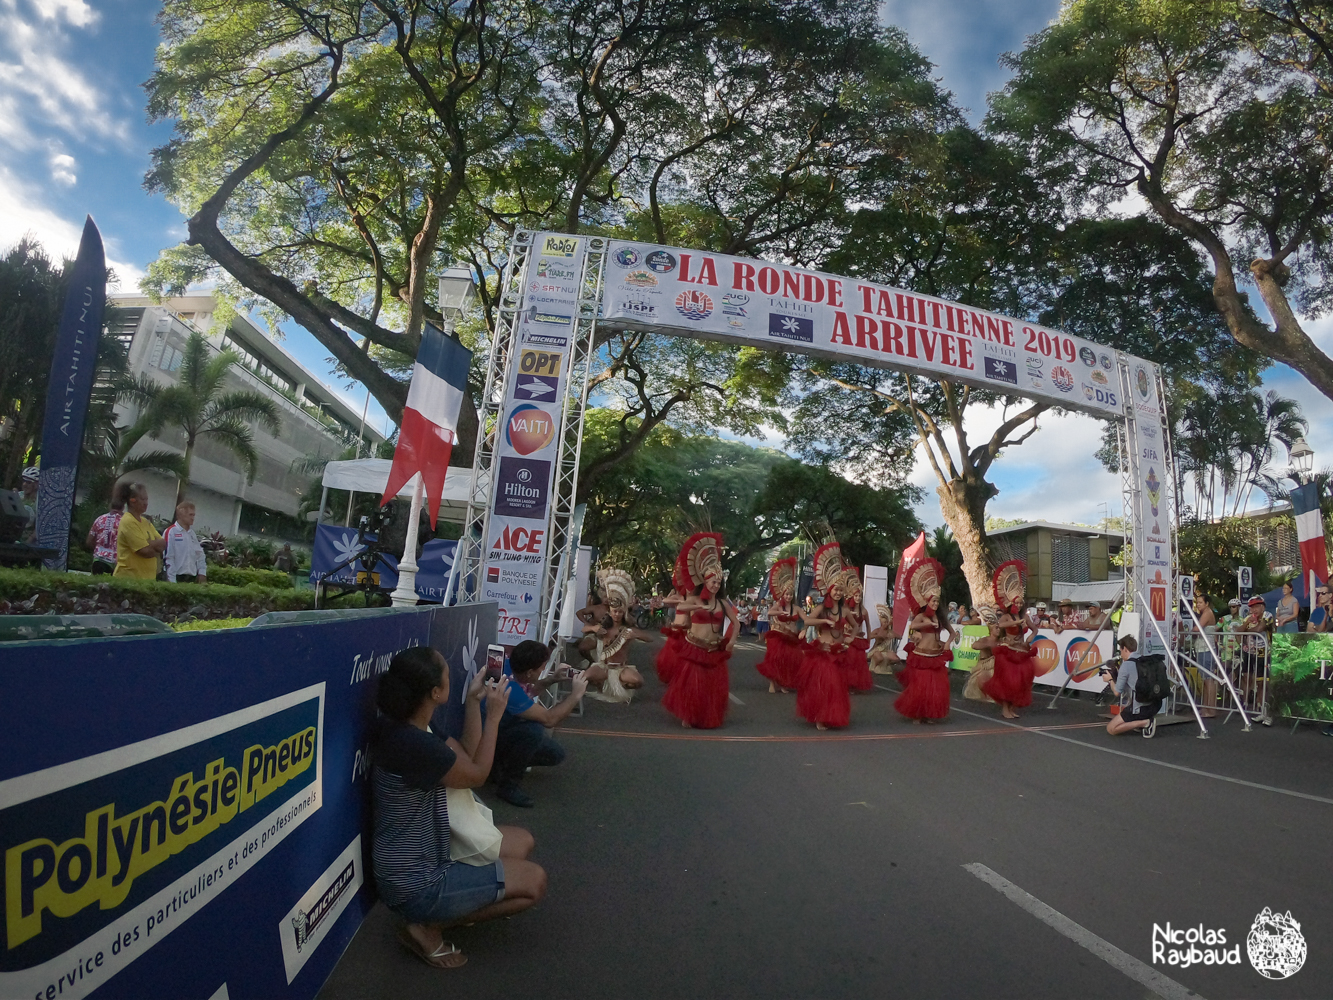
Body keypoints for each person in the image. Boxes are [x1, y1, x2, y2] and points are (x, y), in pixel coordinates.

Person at [370, 646, 546, 970]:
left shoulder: (410, 726)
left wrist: (474, 702)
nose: (452, 676)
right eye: (448, 675)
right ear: (436, 692)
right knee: (533, 883)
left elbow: (465, 753)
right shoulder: (414, 744)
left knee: (522, 841)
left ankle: (441, 911)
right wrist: (494, 717)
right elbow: (477, 774)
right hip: (418, 882)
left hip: (430, 849)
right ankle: (427, 925)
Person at [488, 639, 589, 807]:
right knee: (533, 730)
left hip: (499, 728)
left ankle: (498, 765)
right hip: (491, 735)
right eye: (542, 668)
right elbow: (549, 719)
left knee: (554, 754)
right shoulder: (509, 689)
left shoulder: (507, 666)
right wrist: (575, 695)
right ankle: (508, 786)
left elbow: (528, 692)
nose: (543, 670)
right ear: (529, 673)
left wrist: (552, 679)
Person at [664, 532, 736, 729]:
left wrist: (731, 641)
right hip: (694, 645)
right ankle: (688, 713)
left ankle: (705, 714)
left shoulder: (722, 602)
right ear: (705, 581)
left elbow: (735, 623)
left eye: (718, 583)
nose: (716, 585)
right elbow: (682, 607)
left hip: (714, 648)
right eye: (713, 582)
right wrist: (699, 607)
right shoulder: (695, 599)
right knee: (693, 685)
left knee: (711, 686)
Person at [797, 542, 853, 729]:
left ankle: (831, 714)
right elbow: (807, 621)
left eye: (840, 590)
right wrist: (823, 622)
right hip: (823, 651)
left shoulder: (845, 610)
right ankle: (820, 717)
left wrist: (849, 639)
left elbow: (855, 626)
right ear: (829, 589)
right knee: (825, 686)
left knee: (836, 687)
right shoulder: (822, 608)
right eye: (835, 589)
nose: (838, 593)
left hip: (838, 652)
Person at [894, 558, 955, 722]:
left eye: (937, 601)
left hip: (936, 654)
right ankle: (917, 713)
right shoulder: (920, 616)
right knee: (921, 687)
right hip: (922, 655)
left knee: (935, 687)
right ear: (926, 601)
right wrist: (922, 628)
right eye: (933, 601)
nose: (935, 604)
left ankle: (927, 713)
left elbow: (953, 633)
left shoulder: (941, 617)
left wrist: (948, 644)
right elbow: (913, 625)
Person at [581, 568, 647, 703]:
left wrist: (633, 635)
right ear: (610, 612)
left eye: (619, 612)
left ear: (623, 613)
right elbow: (584, 629)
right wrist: (593, 628)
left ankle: (622, 685)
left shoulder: (627, 628)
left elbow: (649, 638)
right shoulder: (604, 626)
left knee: (638, 681)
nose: (616, 614)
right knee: (584, 677)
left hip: (621, 668)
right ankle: (600, 684)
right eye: (614, 612)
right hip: (604, 667)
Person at [982, 560, 1038, 720]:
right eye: (1016, 602)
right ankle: (1005, 709)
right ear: (1010, 602)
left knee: (1020, 683)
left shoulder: (1024, 617)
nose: (1019, 605)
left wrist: (1029, 640)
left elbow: (1035, 629)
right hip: (1007, 652)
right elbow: (1001, 624)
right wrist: (1016, 623)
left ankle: (1012, 708)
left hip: (1021, 651)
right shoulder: (1007, 616)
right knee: (1008, 682)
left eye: (1021, 602)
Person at [757, 557, 802, 693]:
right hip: (777, 636)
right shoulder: (778, 605)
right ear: (783, 594)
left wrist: (805, 629)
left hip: (790, 638)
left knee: (787, 661)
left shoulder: (796, 608)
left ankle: (782, 683)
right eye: (786, 594)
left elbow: (806, 619)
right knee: (775, 659)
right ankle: (772, 683)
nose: (788, 596)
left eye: (790, 594)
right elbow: (770, 612)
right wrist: (779, 611)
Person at [1101, 636, 1160, 737]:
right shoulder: (1146, 660)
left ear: (1125, 649)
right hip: (1156, 705)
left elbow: (1117, 692)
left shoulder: (1126, 665)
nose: (1121, 654)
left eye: (1121, 651)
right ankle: (1142, 720)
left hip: (1139, 708)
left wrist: (1110, 680)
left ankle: (1145, 722)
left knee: (1111, 729)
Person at [114, 483, 166, 579]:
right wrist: (154, 546)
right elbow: (145, 551)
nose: (146, 503)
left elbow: (163, 543)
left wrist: (149, 544)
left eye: (146, 499)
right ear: (132, 500)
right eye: (142, 499)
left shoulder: (146, 522)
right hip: (129, 580)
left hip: (147, 580)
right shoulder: (128, 521)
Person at [839, 566, 875, 693]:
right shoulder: (846, 609)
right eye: (856, 596)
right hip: (848, 637)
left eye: (859, 596)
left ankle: (855, 685)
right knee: (849, 661)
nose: (858, 598)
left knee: (859, 663)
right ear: (852, 596)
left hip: (859, 638)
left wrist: (869, 639)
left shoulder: (864, 611)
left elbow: (869, 626)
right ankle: (847, 684)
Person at [654, 571, 689, 686]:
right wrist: (679, 601)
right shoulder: (677, 596)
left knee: (685, 658)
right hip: (676, 630)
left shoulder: (693, 598)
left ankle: (683, 678)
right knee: (672, 658)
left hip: (688, 632)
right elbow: (665, 601)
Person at [86, 484, 128, 575]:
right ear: (123, 508)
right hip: (115, 563)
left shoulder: (100, 519)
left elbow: (89, 541)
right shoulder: (125, 522)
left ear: (110, 506)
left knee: (95, 587)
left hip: (98, 559)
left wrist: (99, 547)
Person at [163, 501, 209, 584]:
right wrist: (172, 581)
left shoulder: (192, 534)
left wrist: (202, 573)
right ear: (181, 515)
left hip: (191, 578)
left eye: (193, 515)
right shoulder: (171, 532)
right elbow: (168, 557)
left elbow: (200, 555)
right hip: (176, 577)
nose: (193, 518)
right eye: (190, 515)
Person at [1190, 591, 1218, 718]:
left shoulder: (1207, 613)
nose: (1198, 605)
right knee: (1205, 679)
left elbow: (1197, 628)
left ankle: (1211, 709)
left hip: (1207, 649)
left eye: (1200, 602)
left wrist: (1191, 630)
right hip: (1202, 648)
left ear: (1207, 604)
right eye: (1197, 602)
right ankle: (1206, 707)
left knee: (1208, 679)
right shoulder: (1205, 613)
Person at [867, 604, 901, 675]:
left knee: (896, 659)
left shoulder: (890, 632)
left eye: (886, 622)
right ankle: (874, 666)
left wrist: (893, 635)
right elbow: (870, 636)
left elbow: (899, 637)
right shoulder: (877, 630)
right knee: (879, 658)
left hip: (886, 651)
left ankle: (886, 665)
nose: (885, 624)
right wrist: (877, 637)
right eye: (883, 623)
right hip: (877, 650)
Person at [18, 466, 39, 543]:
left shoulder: (39, 502)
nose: (24, 484)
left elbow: (38, 527)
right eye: (23, 481)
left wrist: (27, 542)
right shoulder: (18, 496)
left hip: (28, 544)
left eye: (28, 482)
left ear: (36, 485)